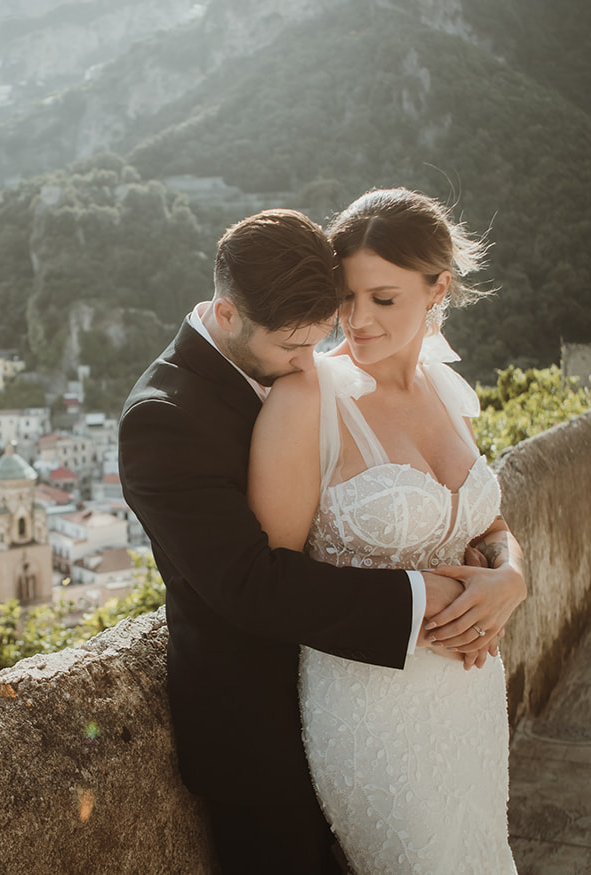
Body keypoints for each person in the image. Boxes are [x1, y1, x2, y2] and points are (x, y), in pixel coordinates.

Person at [119, 209, 474, 874]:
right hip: (258, 736)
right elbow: (250, 584)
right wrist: (427, 595)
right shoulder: (162, 420)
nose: (310, 363)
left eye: (318, 340)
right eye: (291, 348)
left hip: (373, 709)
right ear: (227, 315)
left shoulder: (311, 370)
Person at [250, 188, 526, 873]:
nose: (356, 320)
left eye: (383, 298)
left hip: (472, 698)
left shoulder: (446, 389)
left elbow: (488, 526)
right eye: (345, 297)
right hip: (372, 710)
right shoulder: (307, 397)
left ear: (438, 289)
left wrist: (513, 576)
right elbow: (271, 577)